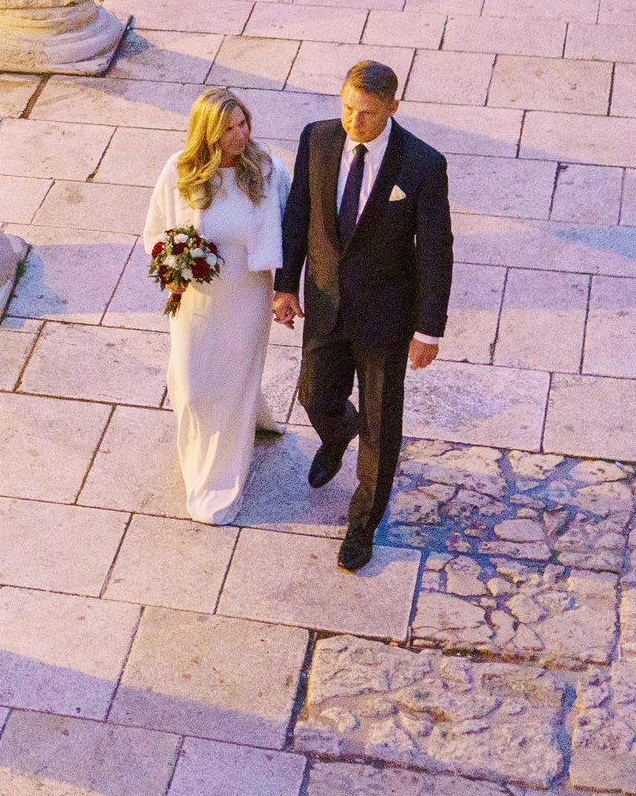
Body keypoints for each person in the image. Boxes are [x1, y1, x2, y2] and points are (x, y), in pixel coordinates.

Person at [275, 60, 455, 574]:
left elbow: (435, 251)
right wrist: (286, 284)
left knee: (381, 425)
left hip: (386, 319)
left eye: (368, 113)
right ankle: (337, 434)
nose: (354, 121)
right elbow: (298, 216)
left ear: (393, 109)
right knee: (313, 394)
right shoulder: (317, 139)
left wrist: (428, 330)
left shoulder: (422, 164)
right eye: (347, 108)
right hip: (326, 305)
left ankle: (363, 522)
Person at [141, 87, 288, 526]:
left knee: (232, 382)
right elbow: (157, 231)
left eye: (244, 124)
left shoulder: (268, 170)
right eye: (229, 128)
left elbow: (291, 234)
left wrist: (285, 291)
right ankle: (239, 430)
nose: (241, 134)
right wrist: (172, 270)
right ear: (208, 133)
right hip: (196, 299)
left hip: (246, 294)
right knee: (190, 381)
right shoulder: (179, 171)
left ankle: (220, 479)